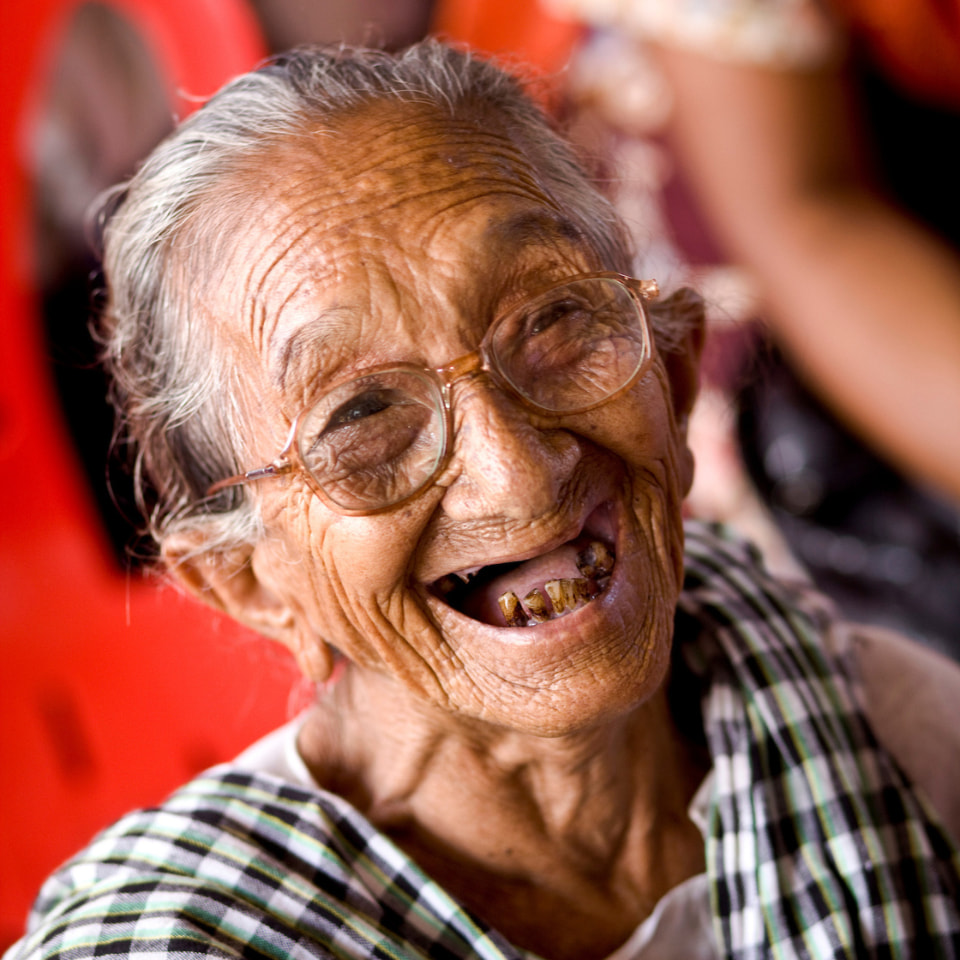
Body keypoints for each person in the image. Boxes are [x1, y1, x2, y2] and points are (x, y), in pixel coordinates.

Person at [7, 42, 960, 960]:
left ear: (669, 379)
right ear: (251, 584)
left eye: (552, 321)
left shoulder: (889, 734)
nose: (519, 471)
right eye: (363, 416)